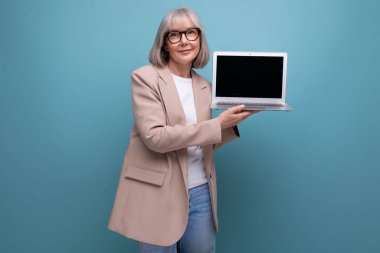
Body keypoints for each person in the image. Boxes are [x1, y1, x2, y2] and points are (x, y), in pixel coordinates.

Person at [108, 7, 258, 253]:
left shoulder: (205, 87)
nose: (185, 41)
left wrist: (234, 121)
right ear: (165, 43)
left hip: (200, 192)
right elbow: (156, 138)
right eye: (175, 35)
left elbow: (201, 140)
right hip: (157, 192)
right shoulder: (145, 78)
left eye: (191, 32)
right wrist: (217, 124)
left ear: (200, 38)